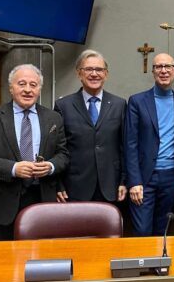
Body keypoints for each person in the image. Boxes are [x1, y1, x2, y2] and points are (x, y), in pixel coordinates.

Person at [0, 64, 69, 241]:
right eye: (22, 84)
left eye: (33, 84)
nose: (28, 90)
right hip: (2, 201)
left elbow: (63, 154)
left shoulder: (54, 118)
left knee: (41, 258)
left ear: (39, 89)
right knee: (4, 259)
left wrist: (51, 166)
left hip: (42, 198)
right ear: (11, 88)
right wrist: (13, 168)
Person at [124, 53, 174, 236]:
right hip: (145, 178)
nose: (164, 71)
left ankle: (159, 266)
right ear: (153, 72)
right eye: (159, 67)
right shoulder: (137, 101)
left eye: (168, 66)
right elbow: (129, 144)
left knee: (164, 230)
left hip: (171, 177)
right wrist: (134, 181)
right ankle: (144, 265)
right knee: (142, 231)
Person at [54, 50, 127, 204]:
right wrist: (58, 184)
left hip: (111, 185)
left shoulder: (119, 105)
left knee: (108, 228)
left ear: (106, 74)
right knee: (77, 229)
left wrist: (124, 181)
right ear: (79, 74)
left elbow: (124, 146)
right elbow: (58, 148)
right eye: (88, 69)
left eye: (99, 70)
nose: (94, 74)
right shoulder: (63, 106)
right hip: (74, 186)